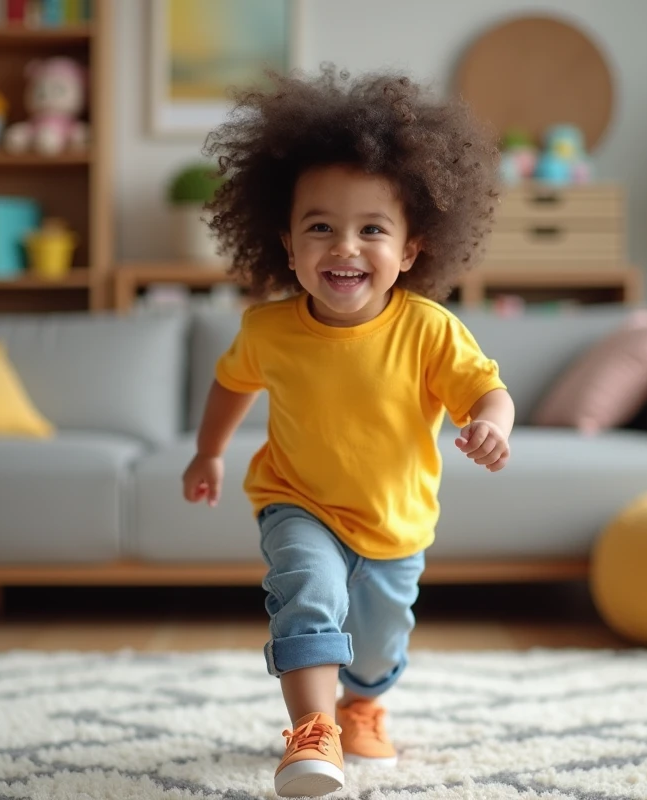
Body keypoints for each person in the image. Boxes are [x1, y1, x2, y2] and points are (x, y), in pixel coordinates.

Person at [181, 66, 514, 798]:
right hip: (297, 500)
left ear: (413, 248)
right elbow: (231, 382)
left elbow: (486, 389)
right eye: (320, 228)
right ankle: (313, 732)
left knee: (379, 641)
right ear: (287, 243)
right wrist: (208, 451)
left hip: (395, 525)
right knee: (304, 591)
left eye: (372, 229)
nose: (345, 248)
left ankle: (363, 702)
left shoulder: (428, 330)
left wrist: (490, 422)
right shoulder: (268, 330)